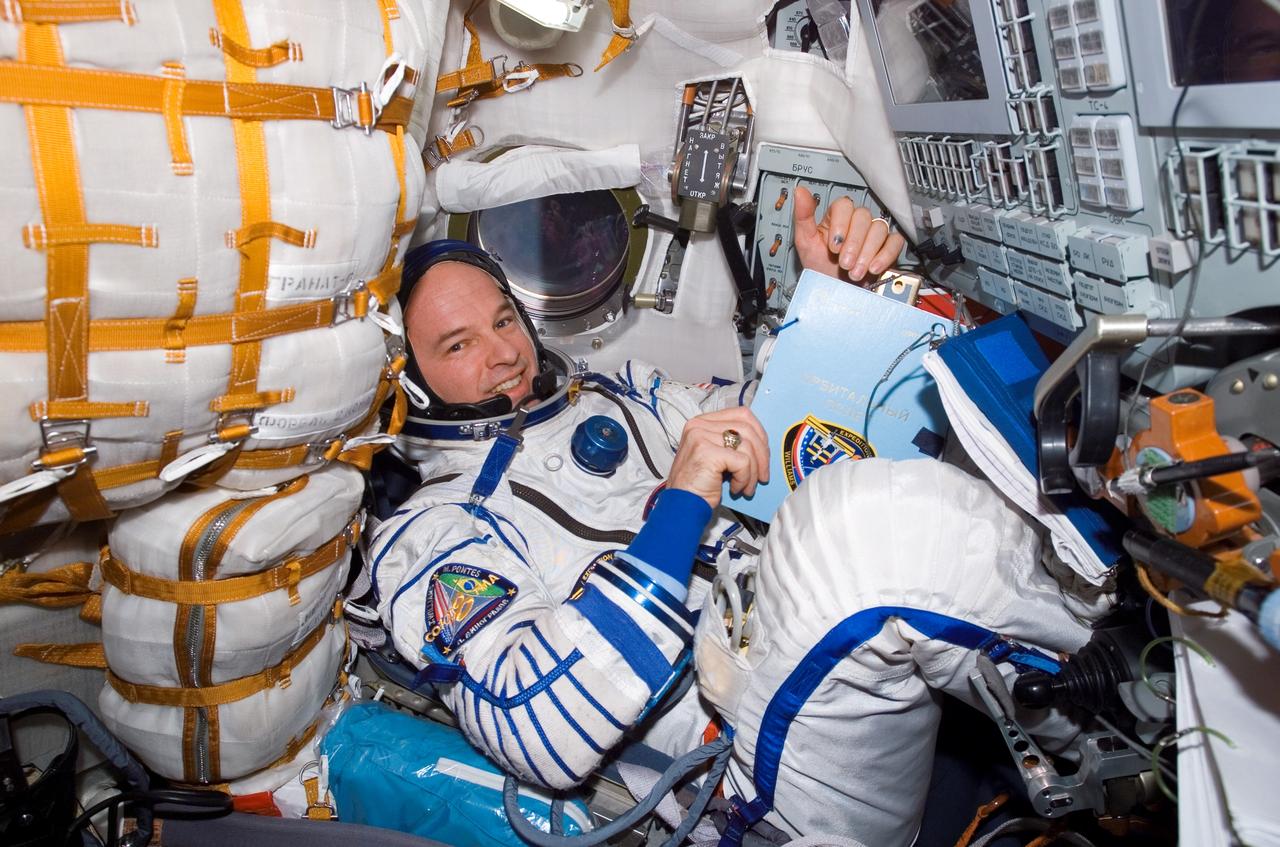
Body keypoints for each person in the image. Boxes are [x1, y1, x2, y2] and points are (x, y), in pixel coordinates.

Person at [366, 190, 1106, 845]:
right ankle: (1106, 709)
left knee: (939, 455)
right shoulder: (429, 533)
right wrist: (681, 504)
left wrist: (836, 309)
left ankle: (1087, 692)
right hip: (747, 770)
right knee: (865, 526)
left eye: (504, 319)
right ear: (410, 382)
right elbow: (539, 729)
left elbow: (780, 429)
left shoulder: (630, 391)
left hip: (813, 657)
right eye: (458, 345)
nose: (503, 353)